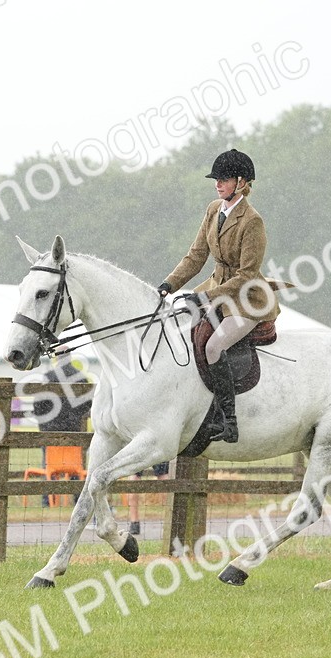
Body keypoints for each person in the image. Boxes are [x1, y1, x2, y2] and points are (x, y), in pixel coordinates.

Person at [158, 148, 280, 443]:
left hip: (246, 300)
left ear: (241, 182)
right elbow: (197, 255)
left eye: (223, 179)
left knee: (213, 348)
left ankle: (228, 420)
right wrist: (169, 284)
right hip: (215, 286)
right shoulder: (214, 209)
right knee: (177, 327)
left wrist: (208, 297)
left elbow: (247, 275)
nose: (217, 183)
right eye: (216, 179)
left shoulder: (252, 221)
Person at [31, 352, 93, 506]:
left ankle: (48, 500)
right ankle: (76, 497)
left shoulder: (48, 377)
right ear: (70, 357)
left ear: (57, 358)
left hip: (50, 429)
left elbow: (38, 404)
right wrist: (75, 416)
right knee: (75, 465)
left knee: (49, 464)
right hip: (73, 428)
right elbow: (87, 403)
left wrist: (44, 424)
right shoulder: (79, 377)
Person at [127, 460, 170, 538]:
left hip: (138, 450)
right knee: (163, 476)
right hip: (157, 449)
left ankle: (134, 524)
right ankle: (169, 521)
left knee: (134, 477)